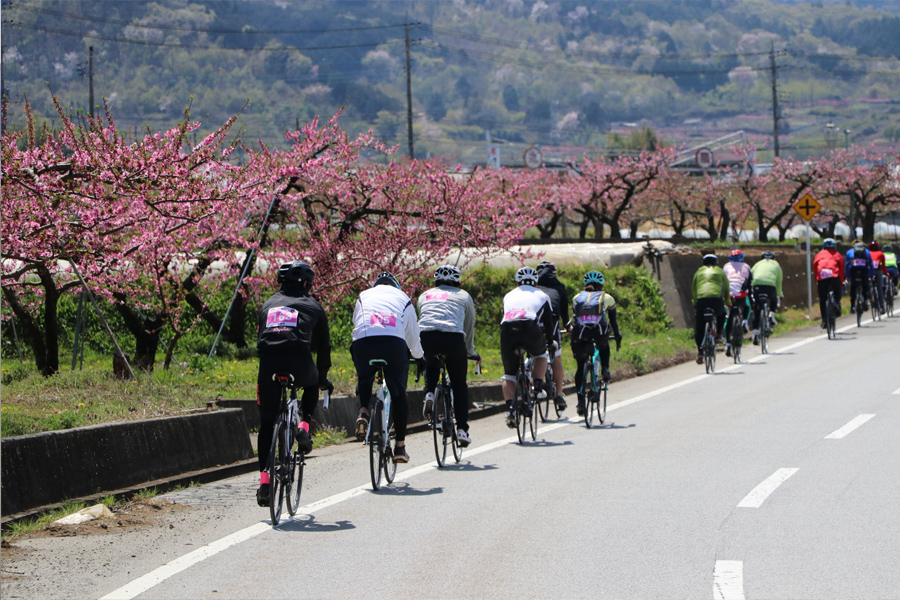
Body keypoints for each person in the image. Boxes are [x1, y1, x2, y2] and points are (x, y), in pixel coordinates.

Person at [255, 261, 332, 507]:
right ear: (307, 284)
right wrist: (322, 376)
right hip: (299, 361)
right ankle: (303, 427)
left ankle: (264, 483)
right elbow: (324, 347)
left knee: (267, 422)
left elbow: (260, 337)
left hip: (268, 364)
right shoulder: (313, 306)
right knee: (311, 385)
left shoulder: (267, 304)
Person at [351, 271, 424, 464]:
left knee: (364, 378)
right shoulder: (404, 298)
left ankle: (363, 412)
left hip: (363, 344)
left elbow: (356, 323)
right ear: (396, 286)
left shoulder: (363, 295)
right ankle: (400, 447)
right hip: (393, 345)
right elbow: (412, 336)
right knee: (398, 394)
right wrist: (419, 356)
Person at [417, 265, 481, 447]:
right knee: (459, 385)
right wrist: (470, 351)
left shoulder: (425, 295)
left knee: (431, 365)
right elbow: (468, 326)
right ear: (457, 281)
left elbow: (421, 319)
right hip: (453, 338)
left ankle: (429, 393)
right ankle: (462, 429)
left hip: (426, 337)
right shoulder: (463, 296)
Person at [499, 267, 555, 428]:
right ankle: (537, 387)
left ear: (517, 282)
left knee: (509, 374)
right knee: (540, 354)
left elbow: (505, 315)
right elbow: (549, 322)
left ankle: (510, 410)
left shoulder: (508, 295)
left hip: (508, 330)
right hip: (530, 327)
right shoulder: (543, 295)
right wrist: (550, 341)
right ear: (536, 283)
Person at [570, 270, 621, 416]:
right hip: (599, 331)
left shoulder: (577, 297)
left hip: (580, 333)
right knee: (604, 346)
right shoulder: (607, 298)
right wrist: (617, 335)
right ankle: (605, 368)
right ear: (602, 284)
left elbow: (576, 317)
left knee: (580, 366)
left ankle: (580, 402)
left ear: (585, 284)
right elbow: (613, 321)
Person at [536, 260, 569, 413]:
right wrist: (568, 326)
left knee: (535, 354)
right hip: (553, 323)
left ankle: (533, 385)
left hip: (532, 324)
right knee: (556, 358)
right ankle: (560, 393)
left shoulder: (532, 287)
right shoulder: (560, 287)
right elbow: (564, 314)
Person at [691, 254, 728, 363]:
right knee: (722, 314)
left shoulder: (698, 272)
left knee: (699, 328)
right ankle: (719, 335)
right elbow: (726, 287)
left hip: (701, 301)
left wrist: (694, 302)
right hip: (716, 300)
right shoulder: (720, 271)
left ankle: (700, 352)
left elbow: (694, 288)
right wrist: (727, 301)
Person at [722, 249, 752, 358]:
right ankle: (744, 321)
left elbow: (723, 281)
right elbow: (749, 283)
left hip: (729, 296)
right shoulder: (747, 267)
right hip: (741, 295)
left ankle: (728, 343)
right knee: (747, 306)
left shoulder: (725, 267)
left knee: (728, 318)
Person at [750, 250, 783, 345]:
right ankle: (771, 315)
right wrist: (780, 295)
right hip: (770, 286)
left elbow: (751, 277)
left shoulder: (757, 264)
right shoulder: (776, 265)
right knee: (773, 298)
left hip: (757, 286)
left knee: (756, 310)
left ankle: (755, 333)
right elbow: (779, 281)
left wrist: (752, 291)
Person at [813, 238, 845, 326]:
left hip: (822, 278)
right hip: (834, 276)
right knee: (837, 292)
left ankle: (824, 321)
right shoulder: (837, 255)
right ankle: (837, 305)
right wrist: (841, 281)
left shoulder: (819, 255)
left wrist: (817, 279)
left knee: (822, 299)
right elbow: (841, 269)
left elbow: (815, 267)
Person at [845, 240, 873, 313]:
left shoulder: (849, 252)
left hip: (854, 270)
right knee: (865, 286)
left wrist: (847, 275)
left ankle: (852, 306)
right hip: (864, 270)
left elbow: (847, 265)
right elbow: (871, 264)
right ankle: (865, 300)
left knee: (853, 288)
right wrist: (871, 275)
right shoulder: (867, 251)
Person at [868, 241, 889, 315]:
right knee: (879, 288)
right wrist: (885, 272)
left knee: (869, 286)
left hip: (869, 271)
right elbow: (883, 265)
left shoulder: (868, 253)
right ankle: (882, 307)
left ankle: (869, 300)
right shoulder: (881, 253)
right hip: (878, 271)